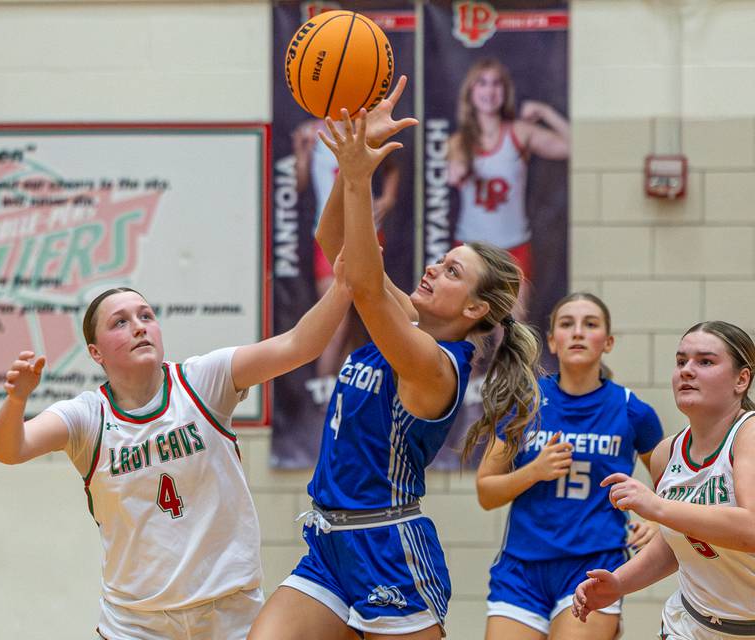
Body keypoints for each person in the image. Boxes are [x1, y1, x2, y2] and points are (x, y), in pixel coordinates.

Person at [248, 82, 541, 640]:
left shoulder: (434, 363)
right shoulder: (404, 315)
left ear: (476, 308)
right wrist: (348, 165)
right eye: (441, 259)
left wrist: (360, 175)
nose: (433, 268)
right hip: (330, 545)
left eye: (452, 272)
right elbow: (332, 239)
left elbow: (358, 280)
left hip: (388, 550)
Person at [0, 273, 353, 639]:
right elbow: (10, 449)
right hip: (136, 624)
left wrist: (343, 285)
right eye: (121, 322)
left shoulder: (202, 381)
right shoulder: (87, 416)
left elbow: (298, 344)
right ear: (95, 352)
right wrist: (16, 401)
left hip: (227, 614)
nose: (139, 327)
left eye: (146, 316)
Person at [475, 292, 663, 640]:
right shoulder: (524, 404)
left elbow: (673, 486)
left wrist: (657, 523)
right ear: (552, 341)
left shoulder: (633, 410)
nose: (577, 332)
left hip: (593, 565)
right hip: (521, 569)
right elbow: (486, 492)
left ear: (607, 342)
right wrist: (534, 471)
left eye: (590, 324)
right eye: (566, 324)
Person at [572, 321, 755, 639]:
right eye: (681, 361)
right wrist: (619, 583)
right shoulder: (666, 452)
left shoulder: (748, 435)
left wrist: (657, 507)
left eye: (705, 361)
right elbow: (678, 541)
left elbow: (751, 530)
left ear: (742, 380)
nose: (687, 370)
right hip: (689, 624)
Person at [447, 58, 569, 318]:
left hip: (513, 247)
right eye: (482, 83)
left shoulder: (519, 132)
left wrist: (546, 112)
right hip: (471, 248)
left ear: (505, 92)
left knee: (514, 332)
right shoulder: (460, 141)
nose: (489, 91)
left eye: (496, 84)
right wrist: (459, 167)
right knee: (469, 330)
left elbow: (570, 146)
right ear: (471, 91)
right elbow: (453, 173)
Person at [293, 113, 400, 377]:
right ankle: (322, 396)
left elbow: (392, 165)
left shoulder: (366, 128)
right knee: (335, 321)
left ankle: (340, 389)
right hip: (330, 237)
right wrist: (301, 152)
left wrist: (387, 198)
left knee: (363, 320)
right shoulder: (312, 132)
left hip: (367, 233)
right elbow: (299, 183)